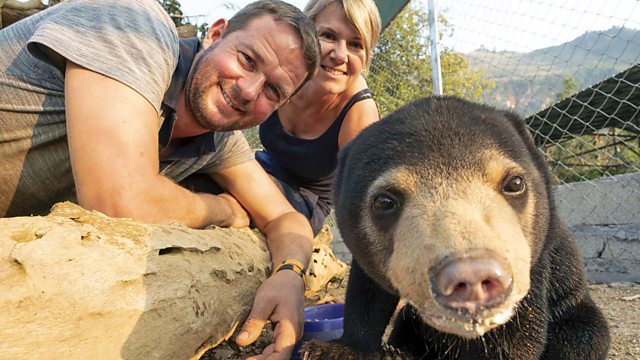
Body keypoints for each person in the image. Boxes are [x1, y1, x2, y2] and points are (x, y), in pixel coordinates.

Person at [0, 0, 321, 359]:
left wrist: (291, 275)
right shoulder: (134, 25)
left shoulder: (220, 140)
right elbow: (120, 200)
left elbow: (286, 218)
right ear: (215, 34)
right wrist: (220, 209)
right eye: (247, 59)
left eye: (273, 91)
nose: (249, 90)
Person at [255, 0, 382, 237]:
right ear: (306, 32)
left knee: (234, 201)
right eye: (329, 36)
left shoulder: (358, 110)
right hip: (261, 170)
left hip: (304, 202)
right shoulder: (282, 72)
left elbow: (366, 201)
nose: (340, 55)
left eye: (356, 44)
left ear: (367, 55)